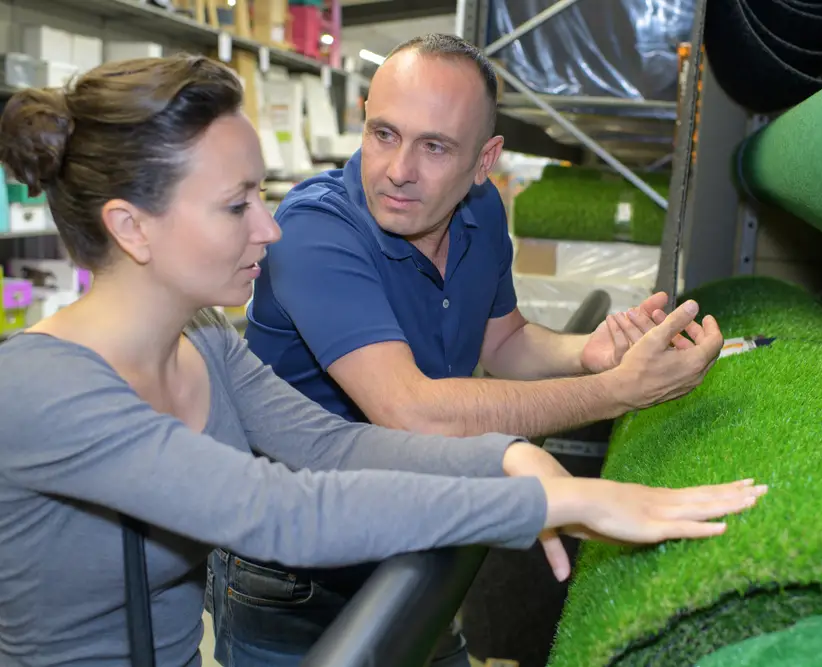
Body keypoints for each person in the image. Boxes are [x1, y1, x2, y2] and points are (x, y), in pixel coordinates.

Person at [0, 54, 766, 667]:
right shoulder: (43, 390)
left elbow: (333, 446)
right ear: (132, 228)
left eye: (260, 194)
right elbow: (281, 511)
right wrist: (553, 501)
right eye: (238, 205)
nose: (270, 228)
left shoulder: (204, 342)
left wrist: (507, 458)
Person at [214, 33, 729, 667]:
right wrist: (614, 392)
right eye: (383, 134)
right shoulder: (314, 233)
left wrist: (588, 353)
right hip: (298, 577)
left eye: (434, 147)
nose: (399, 169)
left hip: (413, 527)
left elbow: (504, 340)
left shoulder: (480, 211)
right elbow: (411, 411)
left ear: (484, 161)